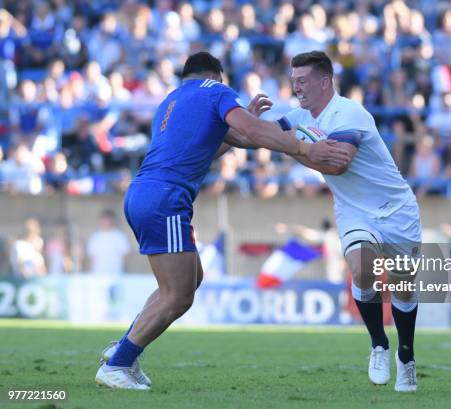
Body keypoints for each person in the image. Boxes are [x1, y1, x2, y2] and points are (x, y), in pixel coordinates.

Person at [95, 52, 350, 390]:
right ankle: (119, 363)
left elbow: (217, 144)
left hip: (144, 192)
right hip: (166, 198)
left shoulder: (172, 101)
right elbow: (247, 131)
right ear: (217, 75)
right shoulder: (216, 91)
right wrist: (302, 149)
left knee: (187, 281)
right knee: (179, 296)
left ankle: (121, 349)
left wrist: (251, 123)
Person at [248, 51, 423, 392]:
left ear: (325, 81)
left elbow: (338, 164)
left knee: (403, 285)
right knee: (361, 267)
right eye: (293, 80)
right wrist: (248, 122)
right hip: (354, 210)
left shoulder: (349, 113)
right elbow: (258, 137)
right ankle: (378, 345)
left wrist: (294, 148)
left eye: (303, 80)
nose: (296, 87)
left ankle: (406, 356)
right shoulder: (298, 117)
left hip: (396, 209)